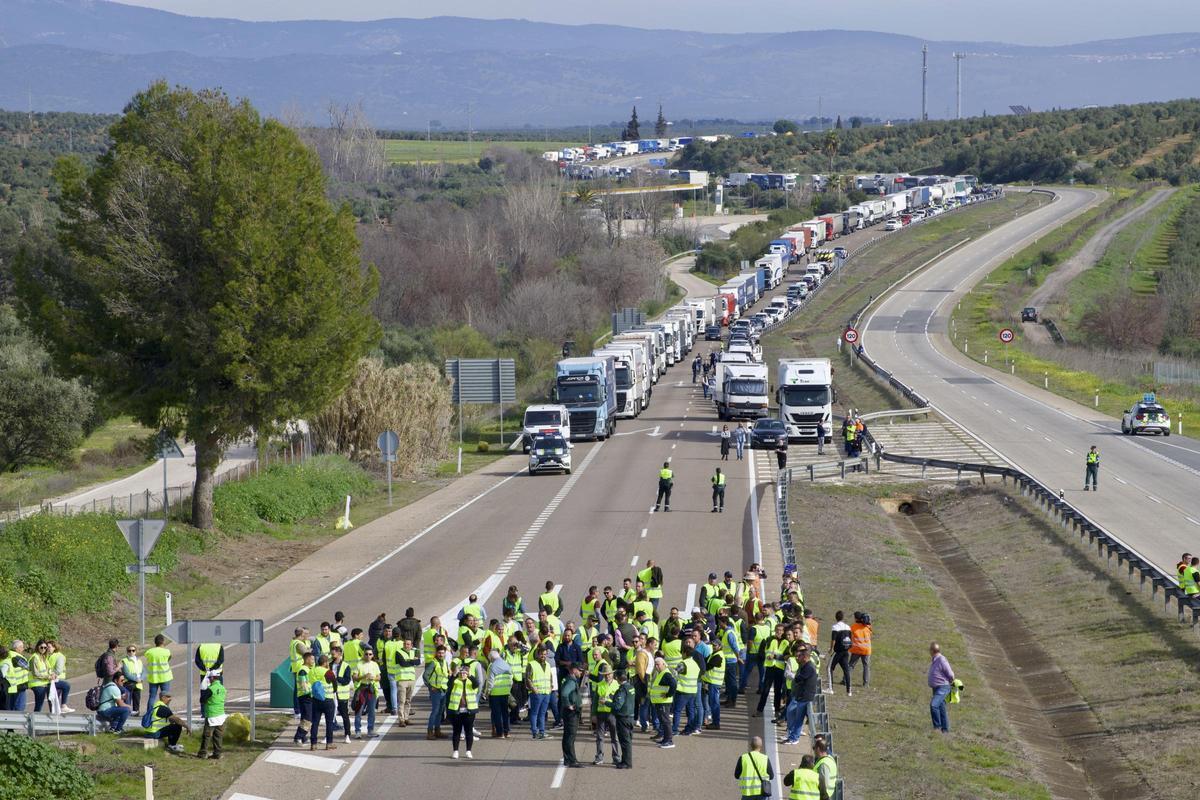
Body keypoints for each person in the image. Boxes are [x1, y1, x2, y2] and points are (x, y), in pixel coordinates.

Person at [783, 647, 817, 745]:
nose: (797, 658)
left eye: (800, 656)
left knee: (798, 719)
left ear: (805, 657)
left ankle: (794, 738)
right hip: (801, 696)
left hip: (805, 697)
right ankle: (792, 736)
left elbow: (799, 679)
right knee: (793, 715)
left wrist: (796, 678)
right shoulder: (804, 666)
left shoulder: (809, 667)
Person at [447, 663, 479, 759]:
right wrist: (454, 674)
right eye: (461, 673)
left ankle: (468, 751)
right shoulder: (455, 681)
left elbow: (476, 683)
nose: (463, 674)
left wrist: (470, 675)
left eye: (465, 673)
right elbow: (449, 684)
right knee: (456, 731)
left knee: (468, 731)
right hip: (456, 710)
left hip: (469, 711)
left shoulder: (470, 682)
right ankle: (455, 751)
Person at [592, 662, 619, 765]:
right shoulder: (599, 685)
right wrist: (593, 714)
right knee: (599, 737)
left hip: (613, 714)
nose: (607, 676)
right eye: (605, 674)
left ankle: (616, 757)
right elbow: (594, 702)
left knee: (614, 737)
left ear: (612, 674)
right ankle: (599, 757)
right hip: (601, 713)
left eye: (609, 674)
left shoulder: (617, 685)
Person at [309, 655, 337, 751]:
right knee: (329, 722)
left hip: (316, 699)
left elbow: (310, 681)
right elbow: (335, 685)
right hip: (328, 700)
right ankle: (329, 743)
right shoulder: (328, 672)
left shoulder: (312, 671)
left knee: (315, 722)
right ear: (325, 663)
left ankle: (313, 744)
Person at [559, 662, 584, 767]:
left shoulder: (570, 680)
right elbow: (564, 693)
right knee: (570, 736)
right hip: (571, 713)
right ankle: (572, 760)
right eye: (579, 670)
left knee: (567, 736)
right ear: (574, 670)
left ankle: (567, 759)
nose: (581, 672)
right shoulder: (571, 682)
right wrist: (568, 705)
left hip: (568, 712)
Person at [352, 647, 380, 739]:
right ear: (363, 655)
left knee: (372, 711)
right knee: (359, 711)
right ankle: (358, 731)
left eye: (370, 654)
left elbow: (379, 677)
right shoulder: (359, 664)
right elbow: (354, 677)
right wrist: (363, 676)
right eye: (366, 654)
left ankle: (370, 730)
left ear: (373, 655)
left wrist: (373, 678)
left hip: (371, 689)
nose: (368, 656)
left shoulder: (375, 664)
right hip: (362, 689)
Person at [648, 656, 676, 749]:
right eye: (655, 665)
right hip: (659, 702)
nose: (656, 666)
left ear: (664, 664)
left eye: (658, 664)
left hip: (664, 702)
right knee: (663, 721)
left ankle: (669, 740)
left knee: (665, 721)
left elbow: (674, 684)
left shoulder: (666, 673)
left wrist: (668, 694)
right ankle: (665, 739)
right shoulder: (661, 673)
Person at [197, 671, 226, 759]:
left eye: (209, 678)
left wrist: (204, 689)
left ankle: (203, 753)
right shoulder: (223, 688)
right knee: (218, 735)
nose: (209, 679)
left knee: (207, 735)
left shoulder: (210, 689)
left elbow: (202, 700)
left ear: (212, 678)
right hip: (221, 714)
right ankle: (218, 753)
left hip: (212, 714)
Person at [527, 647, 554, 739]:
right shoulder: (532, 664)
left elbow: (550, 677)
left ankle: (542, 731)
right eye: (541, 654)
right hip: (536, 693)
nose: (543, 656)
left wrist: (551, 687)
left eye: (545, 654)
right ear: (537, 654)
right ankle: (535, 732)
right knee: (534, 713)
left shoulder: (548, 664)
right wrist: (534, 689)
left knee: (542, 713)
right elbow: (528, 678)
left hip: (546, 693)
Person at [391, 637, 420, 726]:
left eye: (408, 644)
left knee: (408, 700)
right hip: (402, 679)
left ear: (411, 645)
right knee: (401, 701)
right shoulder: (398, 652)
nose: (406, 646)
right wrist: (412, 661)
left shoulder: (413, 652)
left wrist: (410, 661)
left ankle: (406, 718)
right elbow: (403, 663)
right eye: (405, 644)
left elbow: (418, 662)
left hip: (411, 679)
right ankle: (401, 720)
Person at [484, 650, 513, 739]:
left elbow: (490, 682)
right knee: (505, 713)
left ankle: (500, 733)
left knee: (497, 714)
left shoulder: (492, 666)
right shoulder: (506, 664)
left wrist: (487, 692)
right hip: (505, 692)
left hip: (495, 693)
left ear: (492, 658)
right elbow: (511, 679)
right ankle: (507, 732)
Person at [424, 644, 449, 740]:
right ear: (436, 653)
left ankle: (437, 731)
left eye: (443, 653)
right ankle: (430, 732)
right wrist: (430, 687)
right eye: (439, 653)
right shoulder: (433, 663)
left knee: (440, 712)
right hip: (436, 691)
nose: (441, 654)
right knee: (435, 711)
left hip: (443, 690)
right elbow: (425, 675)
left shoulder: (445, 663)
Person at [928, 642, 955, 734]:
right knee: (941, 707)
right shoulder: (935, 659)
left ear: (932, 650)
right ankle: (945, 730)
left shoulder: (941, 659)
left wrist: (951, 680)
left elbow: (950, 674)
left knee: (933, 705)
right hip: (937, 687)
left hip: (943, 687)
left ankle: (937, 727)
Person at [612, 670, 635, 769]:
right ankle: (625, 760)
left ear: (617, 678)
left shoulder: (622, 689)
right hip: (630, 716)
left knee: (625, 741)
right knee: (628, 740)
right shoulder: (631, 687)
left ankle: (627, 763)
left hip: (623, 718)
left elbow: (617, 705)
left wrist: (607, 703)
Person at [293, 651, 316, 746]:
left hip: (308, 697)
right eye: (312, 659)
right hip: (305, 697)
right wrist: (312, 692)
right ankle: (298, 737)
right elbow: (303, 686)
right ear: (307, 659)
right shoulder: (303, 670)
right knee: (308, 719)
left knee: (305, 718)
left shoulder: (309, 669)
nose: (314, 661)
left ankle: (303, 738)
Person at [145, 634, 174, 710]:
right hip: (164, 677)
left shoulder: (149, 652)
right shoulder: (166, 651)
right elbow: (169, 657)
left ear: (155, 642)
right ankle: (165, 712)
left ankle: (149, 713)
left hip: (153, 678)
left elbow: (147, 657)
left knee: (152, 696)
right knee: (166, 696)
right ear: (163, 642)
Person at [828, 611, 852, 696]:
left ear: (836, 617)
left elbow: (833, 639)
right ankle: (849, 691)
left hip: (838, 651)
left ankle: (830, 689)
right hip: (846, 651)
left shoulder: (835, 627)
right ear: (843, 617)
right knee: (846, 670)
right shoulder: (848, 627)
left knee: (830, 668)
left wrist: (831, 649)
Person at [46, 641, 72, 712]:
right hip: (50, 680)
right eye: (47, 647)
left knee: (65, 687)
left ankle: (63, 705)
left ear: (54, 647)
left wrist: (52, 675)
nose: (47, 648)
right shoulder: (48, 656)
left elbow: (58, 669)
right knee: (52, 701)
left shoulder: (59, 656)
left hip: (57, 679)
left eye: (49, 647)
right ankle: (54, 714)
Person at [3, 641, 29, 711]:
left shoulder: (9, 654)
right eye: (22, 647)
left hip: (12, 685)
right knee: (20, 706)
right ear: (17, 648)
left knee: (12, 705)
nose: (23, 649)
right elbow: (27, 666)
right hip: (19, 684)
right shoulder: (16, 656)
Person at [848, 612, 872, 688]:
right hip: (866, 650)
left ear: (856, 618)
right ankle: (866, 683)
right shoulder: (868, 627)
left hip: (857, 649)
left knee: (851, 665)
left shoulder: (853, 627)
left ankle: (845, 680)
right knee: (866, 666)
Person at [121, 645, 145, 714]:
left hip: (138, 684)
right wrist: (136, 679)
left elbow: (144, 671)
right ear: (127, 652)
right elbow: (126, 673)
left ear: (135, 651)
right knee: (127, 701)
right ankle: (127, 715)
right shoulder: (124, 661)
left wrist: (141, 678)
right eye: (129, 650)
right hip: (129, 684)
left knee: (137, 701)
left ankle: (136, 713)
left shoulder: (139, 661)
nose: (131, 652)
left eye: (133, 650)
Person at [813, 736, 839, 800]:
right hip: (828, 793)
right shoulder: (830, 758)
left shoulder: (823, 764)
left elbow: (823, 783)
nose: (813, 750)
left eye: (814, 748)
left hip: (822, 796)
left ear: (818, 749)